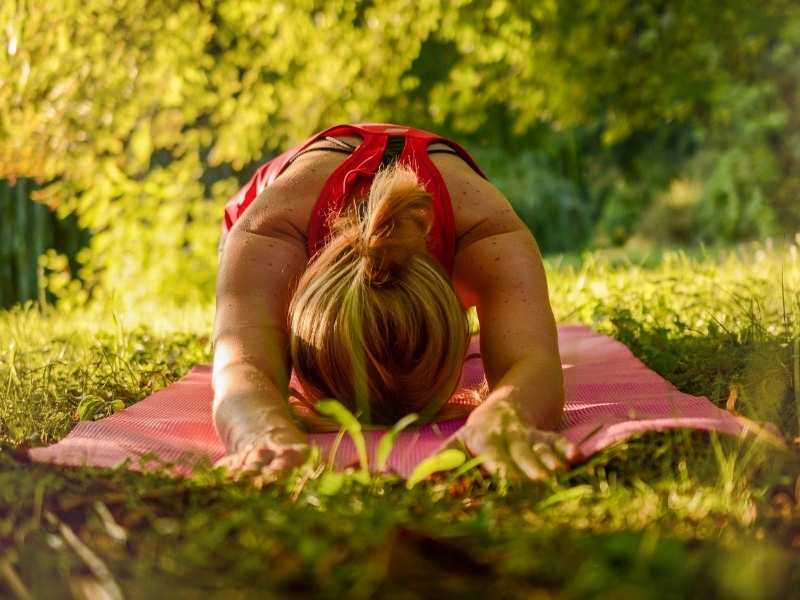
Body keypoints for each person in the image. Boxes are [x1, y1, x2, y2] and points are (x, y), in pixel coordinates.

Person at [212, 123, 580, 481]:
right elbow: (241, 370)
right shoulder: (269, 231)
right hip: (275, 212)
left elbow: (534, 361)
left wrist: (507, 414)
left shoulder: (487, 232)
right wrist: (260, 433)